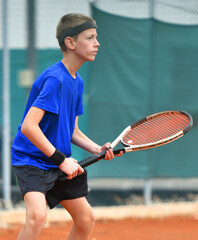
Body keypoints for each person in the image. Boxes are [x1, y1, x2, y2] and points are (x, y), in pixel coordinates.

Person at [11, 13, 122, 240]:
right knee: (37, 217)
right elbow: (28, 127)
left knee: (85, 220)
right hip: (32, 160)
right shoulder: (55, 79)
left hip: (57, 161)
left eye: (96, 37)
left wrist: (97, 148)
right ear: (70, 43)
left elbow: (72, 131)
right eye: (90, 37)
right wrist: (61, 161)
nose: (97, 43)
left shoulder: (76, 81)